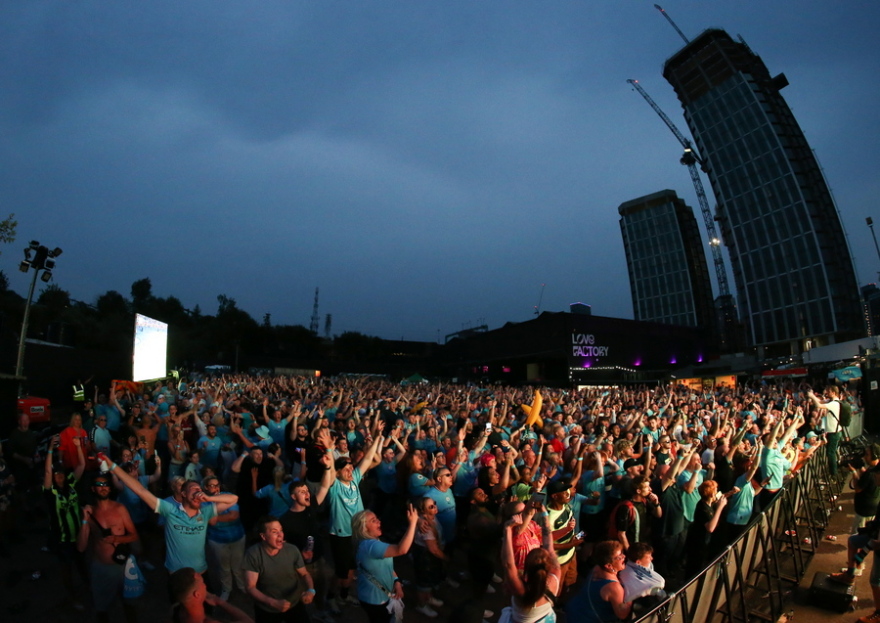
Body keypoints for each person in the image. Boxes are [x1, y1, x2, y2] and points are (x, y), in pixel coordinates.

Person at [99, 451, 238, 575]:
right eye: (193, 489)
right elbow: (140, 490)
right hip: (176, 572)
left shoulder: (205, 512)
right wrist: (112, 466)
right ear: (184, 494)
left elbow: (233, 499)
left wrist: (209, 498)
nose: (198, 491)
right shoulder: (170, 509)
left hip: (200, 571)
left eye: (199, 489)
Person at [77, 474, 139, 623]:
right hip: (101, 568)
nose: (103, 487)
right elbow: (81, 547)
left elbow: (134, 535)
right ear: (93, 489)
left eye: (105, 484)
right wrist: (84, 520)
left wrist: (117, 539)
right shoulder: (90, 513)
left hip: (122, 566)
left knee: (129, 604)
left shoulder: (120, 509)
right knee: (101, 607)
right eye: (99, 485)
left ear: (110, 489)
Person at [351, 505, 420, 623]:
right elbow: (401, 550)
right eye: (373, 520)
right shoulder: (371, 546)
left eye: (377, 518)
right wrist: (413, 523)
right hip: (374, 600)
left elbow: (386, 567)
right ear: (364, 528)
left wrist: (396, 582)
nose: (379, 521)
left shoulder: (374, 542)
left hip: (381, 596)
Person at [243, 515, 316, 623]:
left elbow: (304, 574)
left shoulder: (292, 550)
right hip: (267, 609)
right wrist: (273, 602)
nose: (280, 535)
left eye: (281, 530)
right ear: (263, 536)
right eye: (274, 532)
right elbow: (250, 587)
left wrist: (311, 590)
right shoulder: (253, 554)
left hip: (294, 603)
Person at [44, 434, 87, 610]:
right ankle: (72, 597)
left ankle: (89, 588)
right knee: (67, 569)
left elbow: (82, 465)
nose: (59, 476)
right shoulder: (50, 492)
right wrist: (50, 449)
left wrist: (78, 447)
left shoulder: (70, 483)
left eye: (61, 473)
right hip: (62, 539)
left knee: (82, 564)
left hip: (78, 534)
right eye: (56, 474)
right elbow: (47, 472)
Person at [499, 504, 561, 623]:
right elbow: (549, 545)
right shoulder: (555, 577)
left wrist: (507, 528)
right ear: (548, 565)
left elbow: (508, 564)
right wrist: (544, 514)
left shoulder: (519, 590)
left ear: (526, 567)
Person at [565, 540, 632, 623]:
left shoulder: (597, 568)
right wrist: (631, 594)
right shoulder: (613, 587)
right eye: (619, 557)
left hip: (574, 612)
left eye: (622, 553)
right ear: (609, 565)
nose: (624, 556)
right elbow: (622, 614)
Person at [203, 475, 247, 601]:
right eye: (212, 486)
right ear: (206, 487)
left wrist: (214, 518)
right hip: (217, 540)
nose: (216, 488)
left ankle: (242, 585)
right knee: (223, 567)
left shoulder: (228, 496)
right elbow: (210, 521)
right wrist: (211, 518)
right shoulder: (203, 503)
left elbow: (234, 515)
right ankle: (226, 588)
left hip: (237, 537)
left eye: (217, 485)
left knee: (238, 565)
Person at [169, 567, 254, 623]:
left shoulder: (178, 610)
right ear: (197, 594)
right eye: (202, 583)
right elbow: (248, 621)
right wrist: (220, 602)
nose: (205, 586)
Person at [808, 386, 843, 477]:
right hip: (834, 432)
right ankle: (835, 470)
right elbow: (819, 401)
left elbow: (818, 405)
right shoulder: (831, 401)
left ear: (834, 393)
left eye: (829, 391)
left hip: (834, 433)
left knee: (830, 453)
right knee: (832, 452)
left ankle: (833, 474)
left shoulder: (834, 403)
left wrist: (811, 396)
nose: (827, 393)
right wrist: (812, 396)